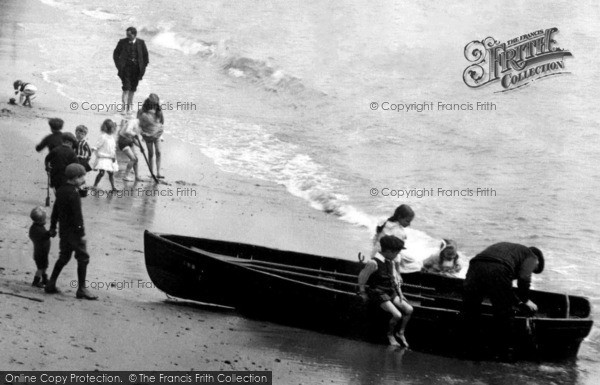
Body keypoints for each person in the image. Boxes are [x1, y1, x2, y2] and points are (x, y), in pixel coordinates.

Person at [462, 242, 545, 359]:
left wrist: (519, 302)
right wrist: (525, 300)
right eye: (533, 270)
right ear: (537, 261)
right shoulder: (532, 256)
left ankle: (468, 348)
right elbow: (524, 279)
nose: (531, 271)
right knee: (504, 313)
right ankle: (501, 352)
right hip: (498, 268)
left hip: (475, 265)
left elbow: (505, 289)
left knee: (470, 307)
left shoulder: (511, 251)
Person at [46, 163, 97, 300]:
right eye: (82, 178)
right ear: (75, 178)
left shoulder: (61, 190)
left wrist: (52, 226)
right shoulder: (73, 194)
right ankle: (81, 289)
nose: (83, 180)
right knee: (83, 257)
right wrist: (81, 233)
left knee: (64, 257)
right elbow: (77, 216)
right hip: (74, 233)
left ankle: (51, 283)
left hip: (64, 231)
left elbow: (55, 210)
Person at [358, 235, 413, 347]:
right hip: (377, 292)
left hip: (390, 291)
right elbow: (362, 277)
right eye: (396, 253)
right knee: (397, 315)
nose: (397, 256)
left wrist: (400, 294)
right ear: (388, 251)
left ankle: (400, 332)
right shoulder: (373, 263)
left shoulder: (390, 262)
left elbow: (394, 279)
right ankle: (390, 334)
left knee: (409, 309)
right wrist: (362, 292)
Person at [113, 27, 149, 115]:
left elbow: (145, 56)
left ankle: (129, 108)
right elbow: (115, 54)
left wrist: (143, 67)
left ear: (134, 34)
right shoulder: (122, 42)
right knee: (126, 88)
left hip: (136, 70)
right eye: (127, 35)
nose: (128, 36)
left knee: (133, 89)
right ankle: (124, 108)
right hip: (125, 69)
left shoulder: (141, 43)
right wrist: (119, 66)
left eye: (129, 35)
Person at [371, 204, 416, 271]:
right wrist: (397, 271)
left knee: (409, 259)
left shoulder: (385, 222)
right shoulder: (399, 232)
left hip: (375, 254)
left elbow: (375, 239)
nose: (409, 224)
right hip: (386, 258)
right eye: (407, 221)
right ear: (399, 217)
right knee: (415, 264)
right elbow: (396, 253)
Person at [137, 94, 164, 178]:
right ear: (148, 102)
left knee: (158, 152)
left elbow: (162, 121)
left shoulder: (158, 110)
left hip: (157, 133)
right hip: (147, 134)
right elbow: (138, 123)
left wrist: (157, 129)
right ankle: (151, 172)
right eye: (153, 104)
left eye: (156, 103)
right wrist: (141, 134)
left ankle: (158, 172)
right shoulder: (141, 111)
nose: (154, 105)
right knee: (151, 153)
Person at [92, 119, 118, 191]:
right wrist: (92, 150)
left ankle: (113, 187)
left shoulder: (112, 138)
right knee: (101, 173)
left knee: (111, 173)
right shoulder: (103, 136)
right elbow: (97, 145)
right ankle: (95, 185)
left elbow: (113, 148)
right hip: (103, 158)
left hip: (110, 158)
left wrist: (114, 156)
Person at [29, 207, 52, 288]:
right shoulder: (38, 229)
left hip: (41, 251)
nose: (45, 220)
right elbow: (44, 236)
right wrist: (49, 233)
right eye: (44, 219)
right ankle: (36, 281)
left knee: (44, 266)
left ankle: (45, 279)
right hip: (41, 252)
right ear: (40, 220)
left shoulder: (34, 227)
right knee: (41, 268)